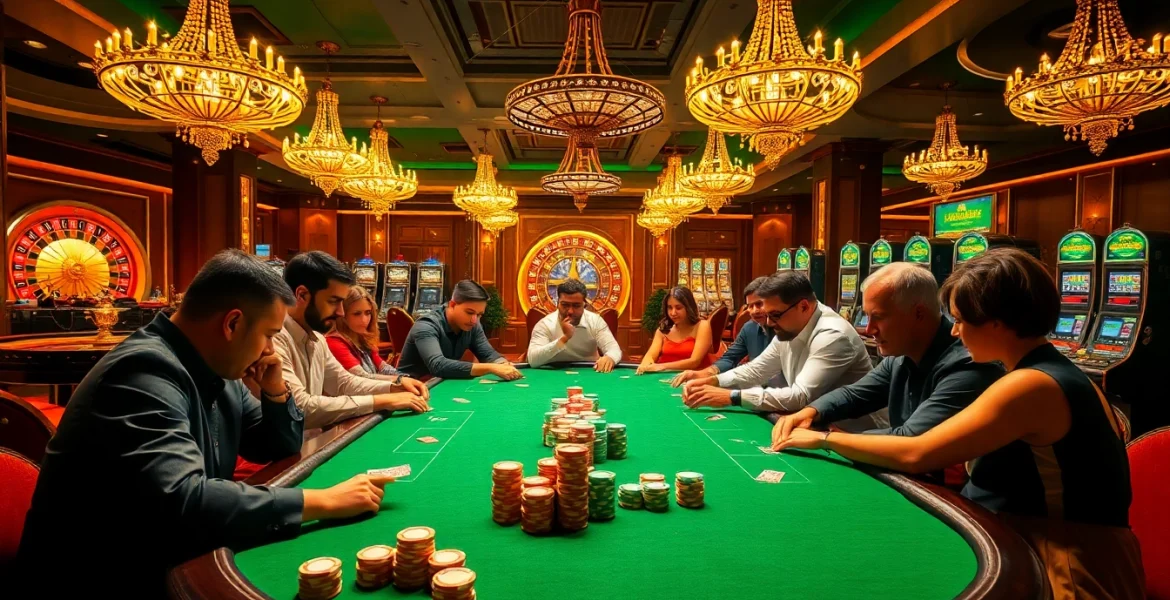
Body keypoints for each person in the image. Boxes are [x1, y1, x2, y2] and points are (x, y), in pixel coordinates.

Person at [16, 251, 401, 596]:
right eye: (268, 335)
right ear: (232, 324)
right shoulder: (142, 371)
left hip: (159, 556)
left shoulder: (215, 369)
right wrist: (322, 500)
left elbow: (278, 445)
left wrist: (276, 390)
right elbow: (183, 500)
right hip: (104, 578)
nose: (270, 351)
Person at [774, 249, 1144, 599]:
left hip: (1066, 564)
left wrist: (824, 440)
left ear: (997, 323)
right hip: (1024, 536)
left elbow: (918, 451)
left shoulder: (1031, 385)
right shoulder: (1041, 371)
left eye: (962, 321)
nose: (954, 332)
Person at [771, 262, 1002, 441]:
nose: (869, 329)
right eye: (867, 316)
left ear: (918, 314)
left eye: (878, 317)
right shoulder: (901, 357)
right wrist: (811, 411)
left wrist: (827, 439)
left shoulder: (967, 363)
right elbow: (854, 395)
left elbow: (911, 438)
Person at [682, 272, 886, 431]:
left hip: (858, 434)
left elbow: (800, 396)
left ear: (804, 306)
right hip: (818, 427)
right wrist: (713, 381)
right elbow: (758, 369)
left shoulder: (833, 335)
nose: (770, 322)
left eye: (776, 315)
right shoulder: (789, 327)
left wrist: (731, 397)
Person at [276, 251, 430, 430]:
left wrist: (395, 386)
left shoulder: (317, 339)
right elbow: (300, 408)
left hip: (311, 443)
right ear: (302, 295)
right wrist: (383, 400)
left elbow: (344, 383)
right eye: (334, 301)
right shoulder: (274, 339)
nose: (341, 312)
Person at [397, 279, 522, 380]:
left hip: (441, 383)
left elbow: (488, 354)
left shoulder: (473, 325)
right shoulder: (427, 325)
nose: (474, 320)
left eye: (479, 315)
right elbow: (438, 365)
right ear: (452, 305)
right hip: (409, 387)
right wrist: (491, 368)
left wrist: (502, 364)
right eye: (469, 312)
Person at [670, 276, 781, 388]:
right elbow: (730, 358)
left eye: (759, 304)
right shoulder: (749, 328)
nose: (755, 311)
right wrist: (704, 374)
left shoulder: (787, 331)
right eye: (750, 306)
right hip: (757, 390)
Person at [526, 279, 622, 372]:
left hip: (590, 373)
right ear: (557, 304)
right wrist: (564, 339)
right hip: (554, 373)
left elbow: (614, 350)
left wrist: (610, 358)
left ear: (584, 305)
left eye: (576, 306)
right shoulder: (545, 324)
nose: (570, 311)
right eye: (565, 305)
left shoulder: (595, 321)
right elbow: (533, 360)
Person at [636, 286, 713, 374]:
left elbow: (694, 362)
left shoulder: (702, 326)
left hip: (694, 379)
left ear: (689, 307)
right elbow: (650, 355)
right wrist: (646, 364)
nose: (673, 313)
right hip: (663, 378)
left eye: (678, 308)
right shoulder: (663, 330)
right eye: (669, 307)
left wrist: (661, 366)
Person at [327, 286, 399, 379]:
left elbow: (384, 368)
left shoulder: (362, 338)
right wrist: (400, 380)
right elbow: (362, 378)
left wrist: (406, 377)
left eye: (368, 313)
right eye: (357, 314)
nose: (364, 320)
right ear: (342, 315)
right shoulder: (334, 342)